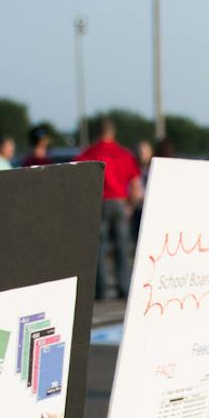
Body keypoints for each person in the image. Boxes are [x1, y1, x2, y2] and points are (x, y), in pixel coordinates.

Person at [76, 118, 141, 298]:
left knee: (100, 248)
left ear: (98, 133)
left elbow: (78, 179)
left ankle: (101, 289)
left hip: (100, 203)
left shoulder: (90, 153)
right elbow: (136, 185)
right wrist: (130, 206)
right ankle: (124, 288)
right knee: (122, 247)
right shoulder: (124, 154)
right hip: (120, 202)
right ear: (113, 133)